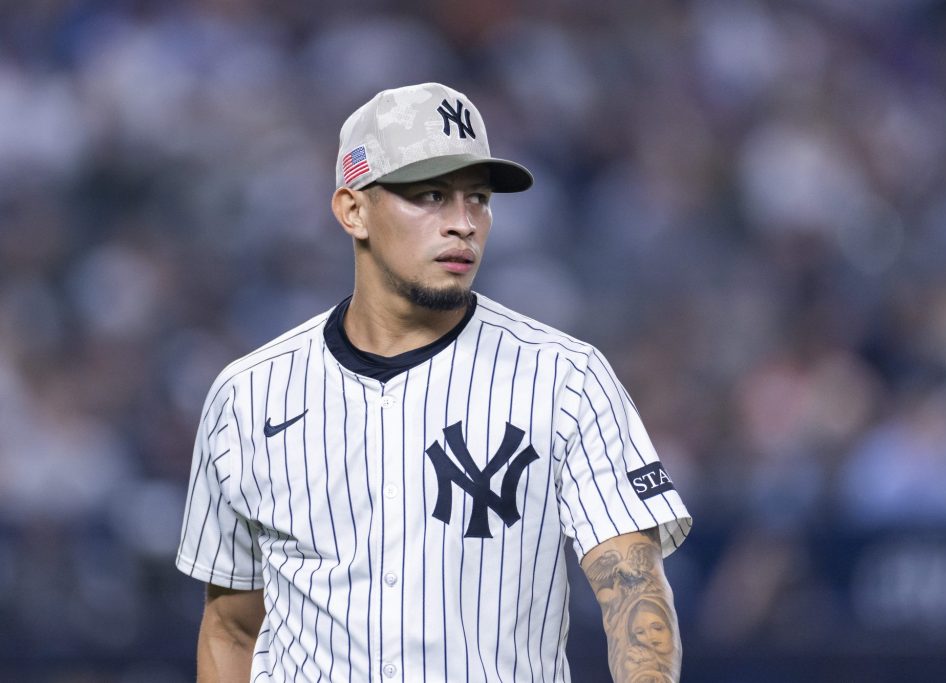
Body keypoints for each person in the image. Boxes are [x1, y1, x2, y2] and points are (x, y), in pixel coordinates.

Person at [176, 82, 692, 683]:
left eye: (477, 198)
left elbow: (635, 598)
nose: (463, 224)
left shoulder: (565, 379)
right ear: (353, 210)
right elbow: (234, 627)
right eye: (430, 195)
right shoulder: (248, 396)